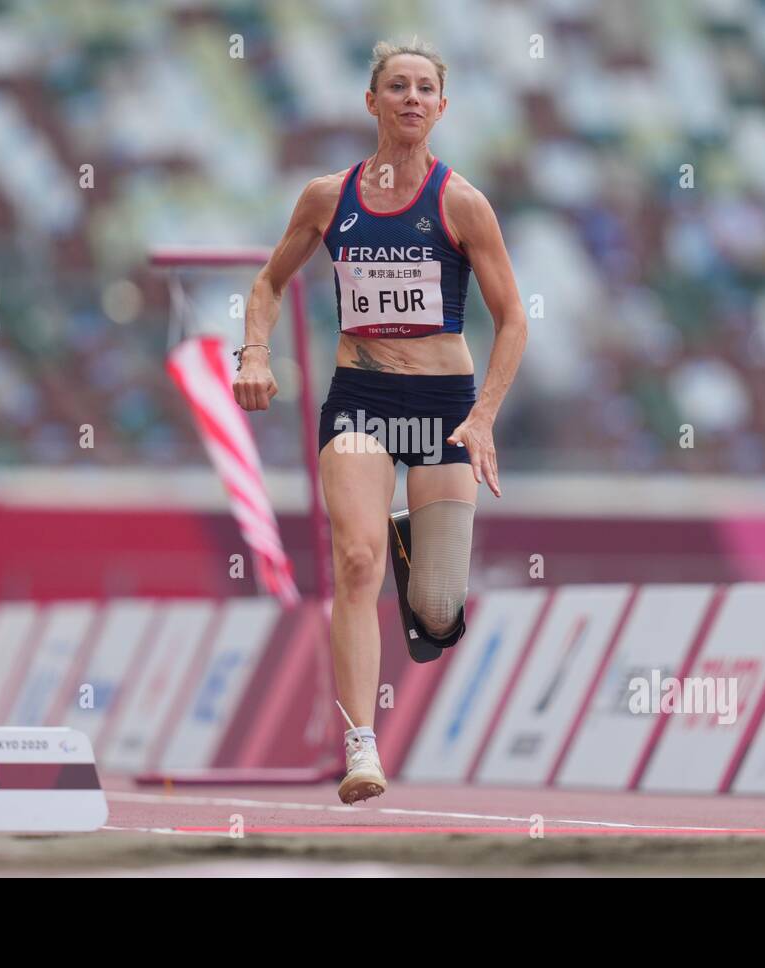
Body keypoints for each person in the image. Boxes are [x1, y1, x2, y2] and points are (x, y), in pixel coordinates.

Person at [233, 40, 527, 804]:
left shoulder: (461, 201)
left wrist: (485, 416)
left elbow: (513, 319)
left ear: (441, 107)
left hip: (443, 408)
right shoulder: (328, 198)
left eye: (425, 88)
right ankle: (361, 747)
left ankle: (411, 534)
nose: (410, 98)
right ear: (371, 103)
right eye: (396, 86)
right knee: (357, 563)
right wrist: (254, 352)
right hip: (361, 397)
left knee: (434, 609)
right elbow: (268, 283)